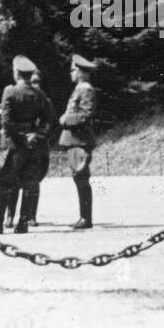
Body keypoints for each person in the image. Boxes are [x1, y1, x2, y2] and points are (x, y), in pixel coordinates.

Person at [0, 55, 45, 234]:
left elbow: (5, 121)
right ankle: (23, 223)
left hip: (10, 145)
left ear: (16, 72)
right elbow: (49, 121)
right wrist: (34, 134)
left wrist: (21, 135)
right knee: (28, 182)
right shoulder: (38, 94)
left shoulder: (9, 91)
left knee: (3, 181)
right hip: (31, 147)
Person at [59, 54, 98, 229]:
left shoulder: (86, 89)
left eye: (73, 70)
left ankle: (85, 218)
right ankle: (84, 216)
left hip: (79, 141)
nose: (71, 73)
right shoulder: (80, 89)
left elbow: (85, 115)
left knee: (81, 178)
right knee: (79, 177)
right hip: (75, 140)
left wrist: (65, 120)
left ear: (81, 72)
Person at [23, 67, 56, 226]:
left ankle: (30, 215)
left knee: (34, 180)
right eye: (32, 82)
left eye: (37, 82)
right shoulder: (18, 96)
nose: (35, 85)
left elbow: (50, 124)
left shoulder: (45, 101)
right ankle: (9, 216)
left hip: (38, 146)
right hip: (18, 145)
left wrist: (38, 135)